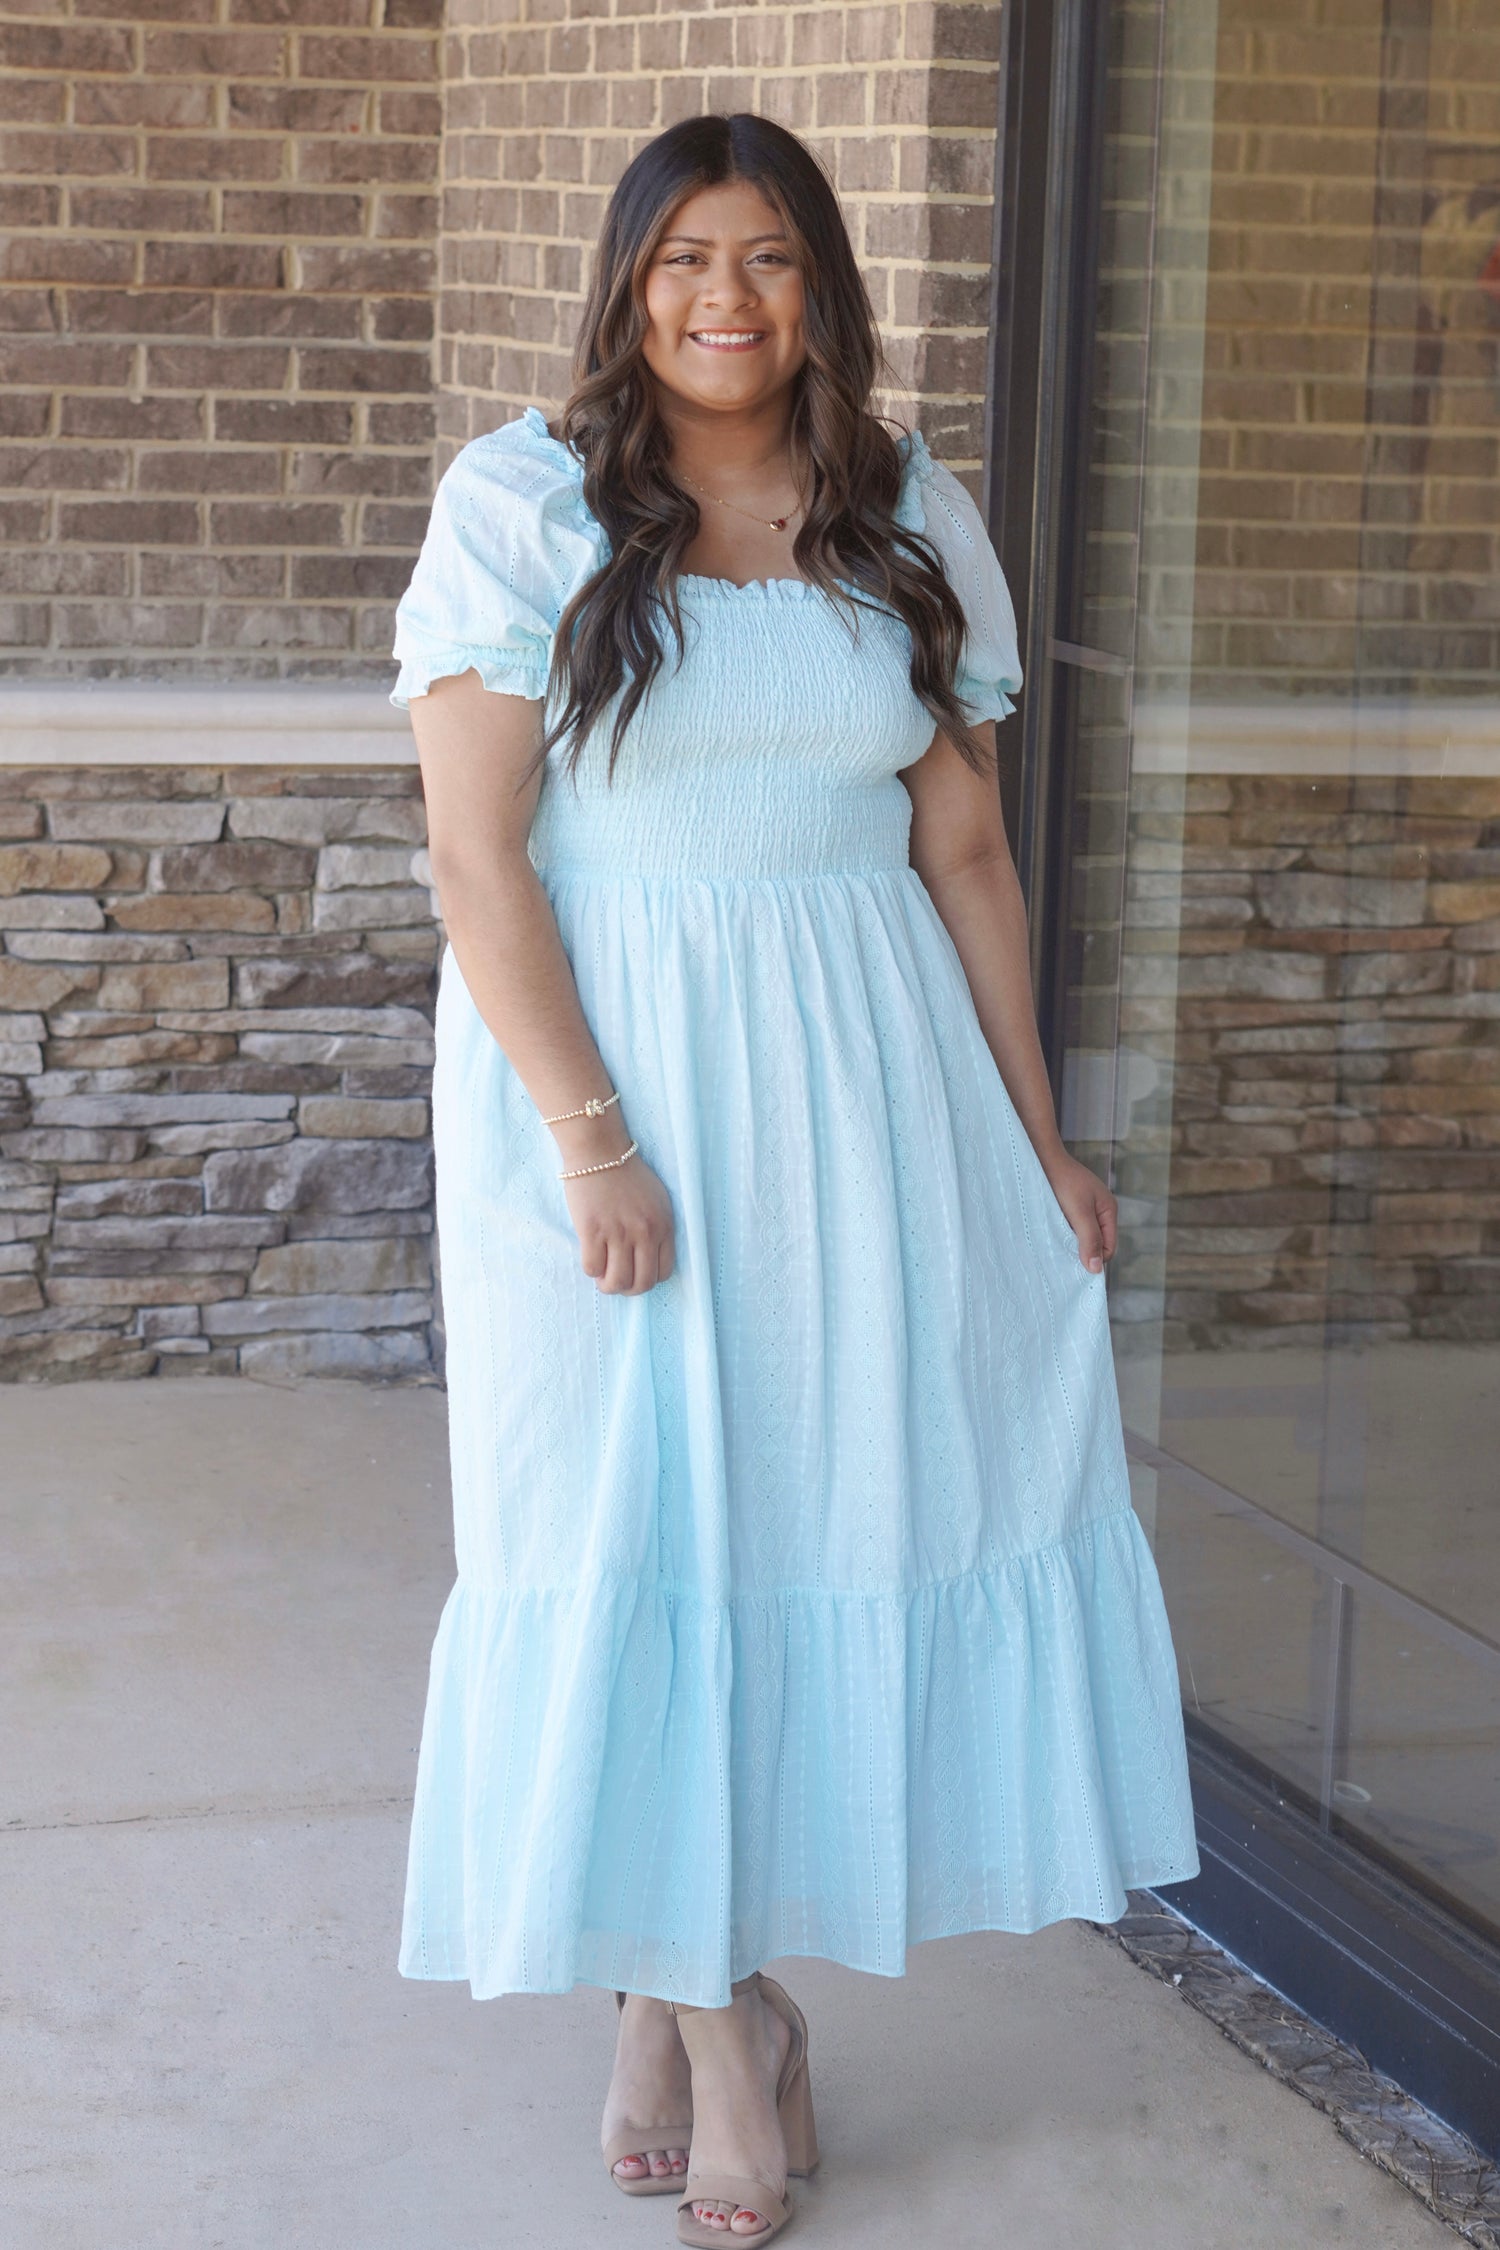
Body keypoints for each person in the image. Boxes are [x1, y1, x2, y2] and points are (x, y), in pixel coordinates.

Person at [390, 111, 1199, 2247]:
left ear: (820, 285)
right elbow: (478, 860)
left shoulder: (905, 509)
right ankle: (723, 2022)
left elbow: (962, 849)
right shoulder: (523, 499)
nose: (721, 302)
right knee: (622, 1529)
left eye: (762, 259)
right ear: (625, 283)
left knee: (805, 1525)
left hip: (864, 1086)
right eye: (680, 262)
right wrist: (593, 1137)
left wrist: (1037, 1140)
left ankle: (675, 1989)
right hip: (610, 1083)